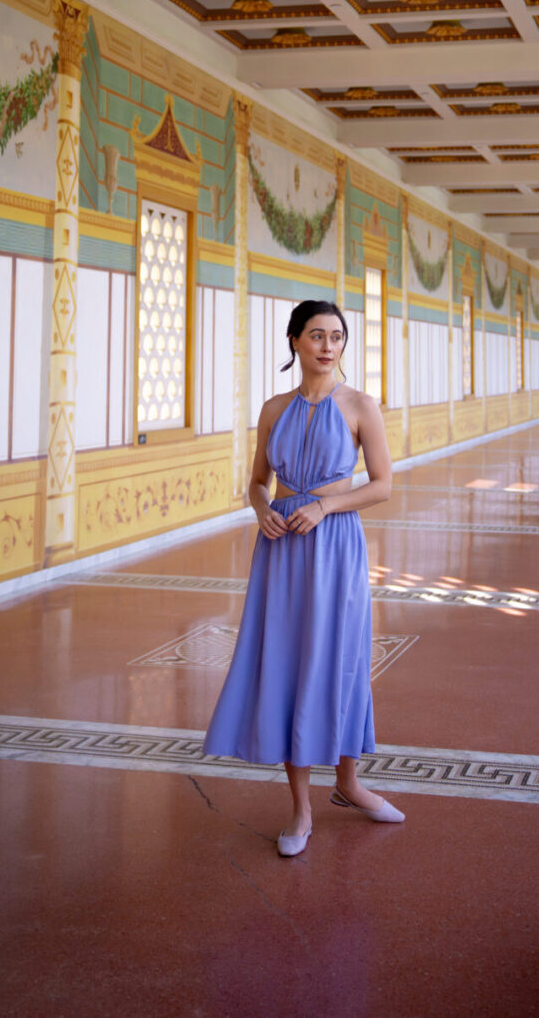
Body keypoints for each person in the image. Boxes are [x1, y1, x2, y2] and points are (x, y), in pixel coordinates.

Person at [202, 298, 403, 856]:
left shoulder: (361, 405)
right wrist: (262, 508)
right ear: (295, 341)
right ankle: (300, 810)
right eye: (316, 335)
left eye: (337, 337)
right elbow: (257, 481)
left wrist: (323, 508)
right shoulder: (273, 409)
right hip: (282, 550)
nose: (328, 346)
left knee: (339, 658)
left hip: (336, 548)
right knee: (288, 662)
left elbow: (383, 484)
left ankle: (349, 782)